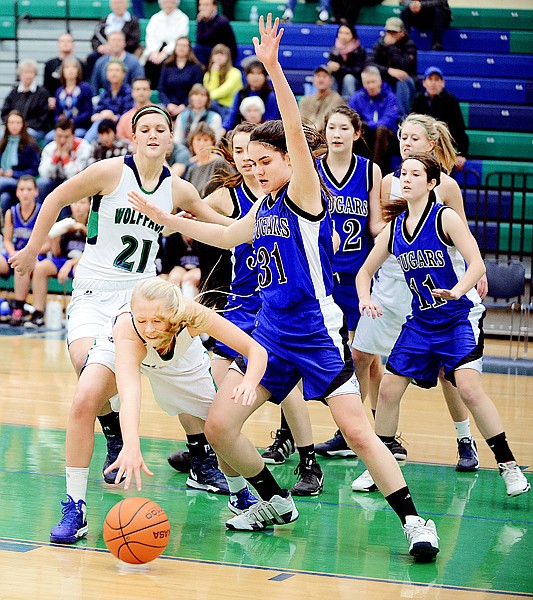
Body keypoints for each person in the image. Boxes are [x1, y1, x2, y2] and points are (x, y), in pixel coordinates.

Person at [129, 15, 440, 560]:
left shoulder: (303, 191)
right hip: (270, 335)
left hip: (316, 333)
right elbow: (227, 234)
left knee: (360, 435)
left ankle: (416, 521)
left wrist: (273, 68)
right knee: (221, 427)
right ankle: (273, 500)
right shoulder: (265, 205)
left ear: (286, 161)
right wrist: (169, 218)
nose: (254, 169)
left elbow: (295, 135)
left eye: (263, 161)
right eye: (247, 164)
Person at [9, 105, 239, 543]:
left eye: (161, 129)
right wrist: (33, 251)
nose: (153, 134)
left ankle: (202, 455)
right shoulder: (111, 172)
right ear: (132, 138)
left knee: (183, 374)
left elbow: (225, 227)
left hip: (142, 298)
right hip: (95, 292)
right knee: (86, 378)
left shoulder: (179, 188)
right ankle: (93, 471)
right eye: (145, 129)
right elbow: (56, 198)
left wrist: (276, 221)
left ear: (172, 138)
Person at [355, 152, 530, 499]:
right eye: (403, 173)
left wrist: (458, 291)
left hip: (457, 317)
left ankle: (508, 465)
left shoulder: (444, 218)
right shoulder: (394, 229)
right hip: (421, 322)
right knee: (389, 390)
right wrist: (365, 298)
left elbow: (478, 263)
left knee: (467, 387)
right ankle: (381, 466)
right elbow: (364, 272)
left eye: (414, 174)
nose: (405, 179)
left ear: (431, 183)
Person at [168, 122, 325, 495]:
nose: (246, 161)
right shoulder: (229, 195)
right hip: (242, 304)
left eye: (252, 154)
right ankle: (212, 448)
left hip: (279, 304)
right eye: (239, 153)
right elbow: (214, 225)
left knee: (286, 388)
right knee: (210, 379)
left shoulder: (292, 191)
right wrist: (176, 219)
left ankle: (307, 460)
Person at [50, 276, 266, 543]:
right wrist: (131, 442)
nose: (149, 329)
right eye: (142, 320)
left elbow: (254, 350)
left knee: (217, 425)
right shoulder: (129, 329)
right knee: (84, 400)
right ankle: (76, 507)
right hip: (123, 346)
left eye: (157, 320)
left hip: (179, 358)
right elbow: (130, 392)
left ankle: (239, 492)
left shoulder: (193, 315)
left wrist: (249, 382)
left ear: (174, 315)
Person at [348, 114, 486, 485]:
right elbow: (376, 226)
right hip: (393, 274)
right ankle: (377, 442)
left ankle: (464, 438)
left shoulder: (447, 186)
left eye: (413, 138)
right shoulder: (391, 181)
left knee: (447, 372)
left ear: (430, 145)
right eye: (402, 137)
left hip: (432, 283)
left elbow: (463, 237)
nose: (406, 142)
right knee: (363, 355)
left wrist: (479, 271)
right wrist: (400, 227)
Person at [268, 104, 384, 462]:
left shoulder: (370, 172)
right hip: (320, 277)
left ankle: (361, 431)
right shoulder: (309, 171)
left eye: (343, 128)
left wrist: (405, 231)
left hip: (358, 276)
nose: (336, 133)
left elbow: (376, 225)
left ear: (356, 134)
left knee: (365, 358)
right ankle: (289, 434)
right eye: (330, 127)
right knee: (303, 357)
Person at [25, 197, 90, 329]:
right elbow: (56, 253)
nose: (78, 207)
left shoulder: (94, 224)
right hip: (64, 259)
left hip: (83, 261)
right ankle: (38, 313)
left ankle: (80, 315)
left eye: (82, 203)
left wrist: (83, 230)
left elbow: (95, 251)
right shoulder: (66, 222)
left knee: (79, 271)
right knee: (41, 268)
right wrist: (55, 238)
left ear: (90, 205)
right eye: (76, 202)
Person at [2, 176, 49, 326]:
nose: (25, 193)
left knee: (21, 265)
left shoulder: (43, 212)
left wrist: (28, 253)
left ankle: (19, 308)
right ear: (17, 193)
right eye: (22, 189)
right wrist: (12, 252)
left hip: (37, 255)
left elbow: (47, 244)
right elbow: (7, 240)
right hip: (16, 252)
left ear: (36, 192)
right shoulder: (12, 212)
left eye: (29, 189)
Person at [411, 67, 469, 170]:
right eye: (430, 79)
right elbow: (412, 125)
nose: (433, 83)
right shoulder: (418, 99)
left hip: (443, 145)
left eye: (437, 79)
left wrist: (462, 153)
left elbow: (459, 129)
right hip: (422, 145)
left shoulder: (450, 101)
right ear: (424, 83)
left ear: (443, 83)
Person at [348, 66, 398, 173]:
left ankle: (375, 169)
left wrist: (368, 125)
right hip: (365, 133)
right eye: (367, 82)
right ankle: (353, 168)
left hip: (385, 136)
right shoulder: (357, 97)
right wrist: (363, 126)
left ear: (380, 81)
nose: (371, 86)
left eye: (373, 82)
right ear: (363, 83)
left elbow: (389, 120)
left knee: (381, 130)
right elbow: (350, 117)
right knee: (353, 130)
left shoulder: (390, 97)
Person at [369, 17, 417, 118]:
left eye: (394, 32)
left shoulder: (409, 45)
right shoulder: (380, 44)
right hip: (385, 79)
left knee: (402, 81)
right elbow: (369, 64)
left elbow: (405, 65)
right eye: (388, 32)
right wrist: (388, 71)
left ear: (402, 32)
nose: (391, 35)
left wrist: (391, 47)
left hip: (407, 82)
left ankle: (401, 117)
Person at [38, 118, 93, 202]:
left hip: (76, 185)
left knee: (66, 185)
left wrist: (65, 157)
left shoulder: (84, 147)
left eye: (66, 137)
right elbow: (44, 173)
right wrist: (56, 157)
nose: (62, 141)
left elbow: (75, 176)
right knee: (42, 183)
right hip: (54, 181)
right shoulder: (50, 148)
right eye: (59, 136)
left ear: (73, 136)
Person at [222, 61, 280, 133]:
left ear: (264, 76)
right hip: (241, 130)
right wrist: (223, 130)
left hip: (263, 132)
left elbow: (271, 120)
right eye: (252, 73)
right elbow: (232, 114)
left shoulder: (270, 96)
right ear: (246, 76)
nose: (255, 77)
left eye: (259, 73)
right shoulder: (240, 94)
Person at [142, 0, 190, 88]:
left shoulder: (182, 18)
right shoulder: (155, 18)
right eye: (166, 2)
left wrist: (165, 52)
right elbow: (150, 36)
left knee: (167, 63)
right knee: (150, 63)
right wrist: (154, 51)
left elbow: (179, 38)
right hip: (155, 51)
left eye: (171, 2)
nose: (168, 5)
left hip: (173, 50)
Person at [45, 57, 93, 144]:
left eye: (74, 67)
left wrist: (73, 122)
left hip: (79, 127)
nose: (70, 70)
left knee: (77, 136)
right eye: (67, 67)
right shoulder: (59, 91)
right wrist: (60, 121)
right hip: (62, 127)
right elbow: (57, 113)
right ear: (62, 71)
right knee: (49, 137)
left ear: (78, 70)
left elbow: (87, 112)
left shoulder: (85, 89)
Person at [0, 111, 40, 215]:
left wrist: (13, 173)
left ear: (23, 124)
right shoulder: (3, 143)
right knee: (5, 198)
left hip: (20, 181)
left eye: (18, 123)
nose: (14, 126)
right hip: (5, 182)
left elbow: (34, 170)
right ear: (7, 124)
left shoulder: (30, 144)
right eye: (11, 123)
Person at [85, 60, 134, 143]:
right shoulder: (105, 92)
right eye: (110, 70)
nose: (113, 73)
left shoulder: (129, 92)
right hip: (103, 124)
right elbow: (96, 112)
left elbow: (128, 114)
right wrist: (102, 115)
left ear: (124, 74)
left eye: (117, 70)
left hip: (121, 125)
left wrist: (112, 117)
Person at [1, 60, 50, 143]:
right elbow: (4, 113)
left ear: (35, 74)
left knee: (26, 135)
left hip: (35, 129)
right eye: (25, 72)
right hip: (13, 128)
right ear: (20, 74)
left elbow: (42, 118)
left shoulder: (42, 93)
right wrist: (13, 125)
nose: (28, 75)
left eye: (31, 72)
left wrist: (22, 126)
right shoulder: (14, 92)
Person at [158, 38, 205, 122]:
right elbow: (162, 89)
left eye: (184, 45)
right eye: (179, 45)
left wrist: (184, 106)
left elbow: (196, 90)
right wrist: (168, 104)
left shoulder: (196, 68)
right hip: (168, 105)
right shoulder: (167, 66)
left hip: (188, 106)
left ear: (189, 48)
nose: (181, 48)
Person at [90, 30, 144, 94]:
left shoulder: (134, 62)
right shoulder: (100, 62)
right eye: (113, 40)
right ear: (107, 43)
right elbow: (94, 85)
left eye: (119, 40)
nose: (116, 43)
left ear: (124, 43)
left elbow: (140, 84)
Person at [203, 44, 243, 120]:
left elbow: (224, 91)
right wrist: (214, 74)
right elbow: (208, 91)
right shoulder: (208, 75)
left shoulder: (235, 73)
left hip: (230, 107)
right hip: (213, 105)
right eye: (216, 54)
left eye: (222, 54)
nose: (219, 56)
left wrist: (205, 98)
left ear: (228, 57)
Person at [327, 24, 366, 100]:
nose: (343, 36)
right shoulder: (334, 50)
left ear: (353, 35)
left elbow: (358, 70)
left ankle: (348, 103)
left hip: (355, 82)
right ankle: (331, 101)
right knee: (329, 77)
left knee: (348, 78)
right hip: (338, 80)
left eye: (346, 33)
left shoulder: (359, 51)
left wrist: (340, 68)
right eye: (340, 32)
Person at [298, 66, 344, 131]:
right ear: (313, 80)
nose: (321, 79)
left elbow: (325, 121)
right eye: (318, 76)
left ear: (331, 81)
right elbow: (300, 121)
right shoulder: (305, 100)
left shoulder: (335, 98)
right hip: (306, 134)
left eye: (324, 76)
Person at [194, 0, 238, 68]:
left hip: (225, 54)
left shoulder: (222, 21)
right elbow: (199, 38)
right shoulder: (204, 20)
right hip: (210, 53)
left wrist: (200, 22)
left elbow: (206, 37)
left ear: (214, 7)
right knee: (196, 49)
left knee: (198, 49)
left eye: (206, 5)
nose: (202, 8)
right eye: (200, 5)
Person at [43, 33, 83, 106]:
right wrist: (49, 98)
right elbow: (46, 86)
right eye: (62, 41)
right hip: (54, 103)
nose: (65, 43)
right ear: (58, 45)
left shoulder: (80, 64)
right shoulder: (50, 64)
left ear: (73, 45)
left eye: (68, 41)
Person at [116, 77, 152, 147]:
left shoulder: (160, 114)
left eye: (144, 89)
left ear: (150, 92)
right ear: (132, 92)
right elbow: (120, 139)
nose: (141, 92)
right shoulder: (125, 118)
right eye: (138, 89)